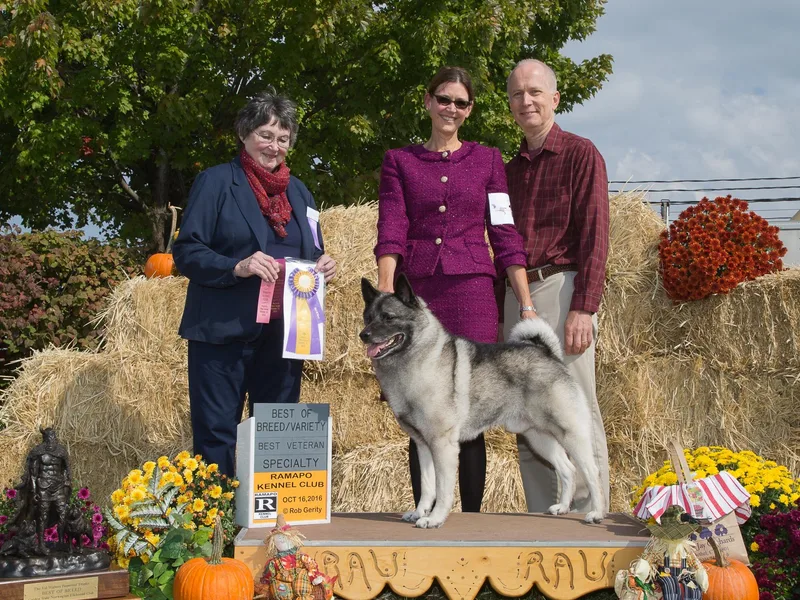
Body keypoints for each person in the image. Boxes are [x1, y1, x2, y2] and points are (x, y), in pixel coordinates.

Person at [374, 66, 536, 513]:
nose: (450, 109)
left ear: (470, 110)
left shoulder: (486, 161)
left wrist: (525, 303)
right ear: (428, 102)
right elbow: (392, 226)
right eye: (443, 99)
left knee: (468, 412)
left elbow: (503, 230)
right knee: (420, 411)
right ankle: (426, 510)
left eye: (460, 103)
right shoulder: (399, 162)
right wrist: (387, 289)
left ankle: (469, 520)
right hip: (420, 296)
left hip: (473, 293)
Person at [173, 89, 337, 478]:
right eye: (266, 135)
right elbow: (186, 251)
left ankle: (270, 530)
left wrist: (322, 264)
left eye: (283, 139)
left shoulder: (299, 191)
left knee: (276, 434)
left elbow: (312, 249)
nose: (274, 146)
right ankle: (218, 532)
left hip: (284, 337)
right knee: (216, 436)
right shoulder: (215, 182)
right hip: (222, 331)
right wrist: (237, 266)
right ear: (245, 134)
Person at [501, 58, 610, 513]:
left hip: (561, 292)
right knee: (527, 414)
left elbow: (596, 234)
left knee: (574, 410)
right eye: (517, 94)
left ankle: (590, 514)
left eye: (535, 92)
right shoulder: (508, 171)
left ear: (555, 99)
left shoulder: (581, 154)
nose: (526, 100)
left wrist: (583, 307)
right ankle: (543, 519)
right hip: (516, 297)